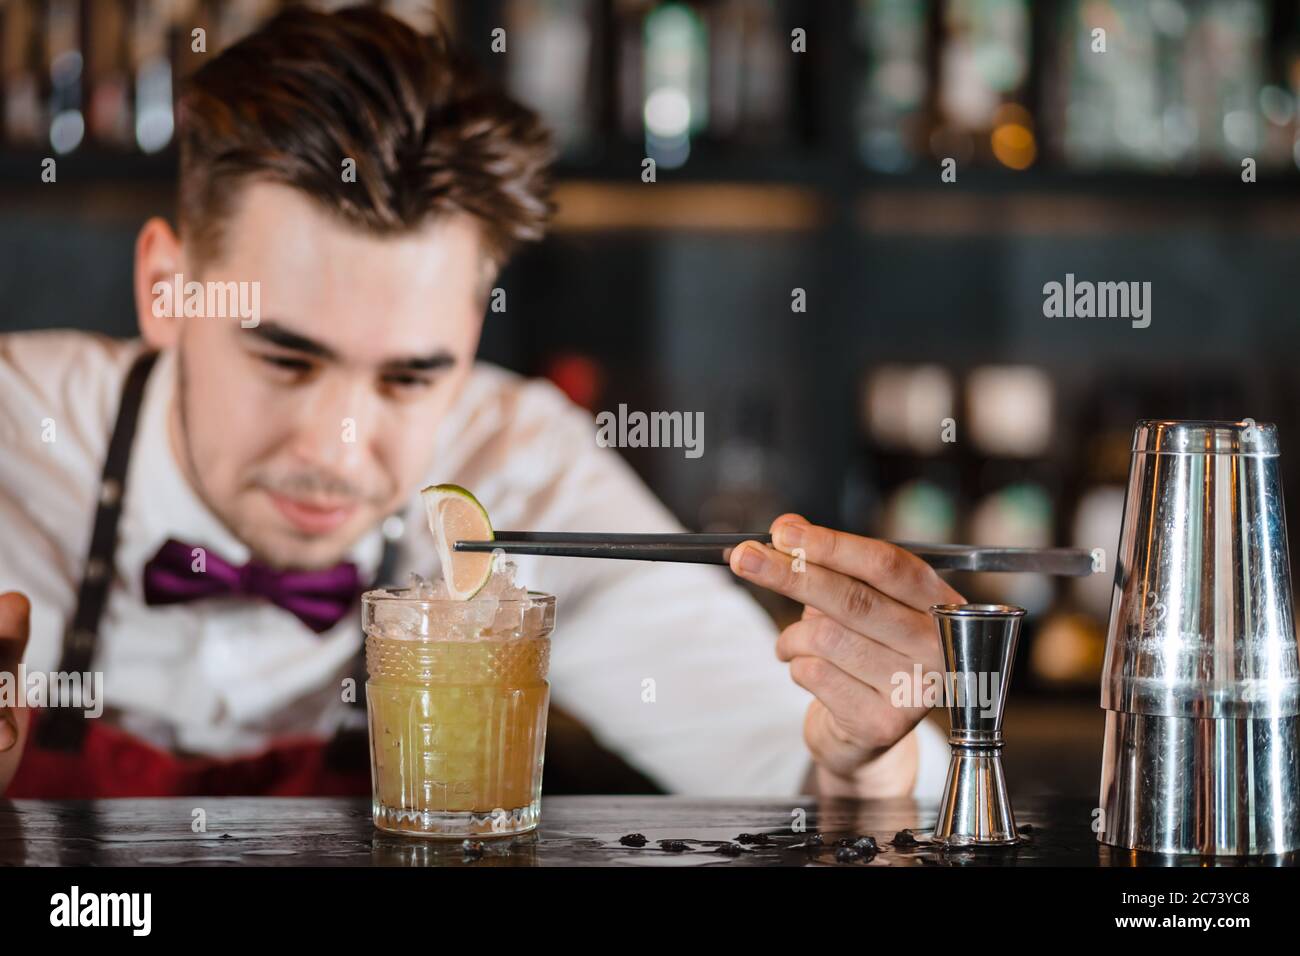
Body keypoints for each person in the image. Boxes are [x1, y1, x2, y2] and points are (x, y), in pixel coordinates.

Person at [0, 6, 957, 800]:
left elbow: (803, 767)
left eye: (411, 377)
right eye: (285, 360)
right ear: (167, 288)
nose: (340, 449)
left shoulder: (516, 472)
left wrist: (863, 750)